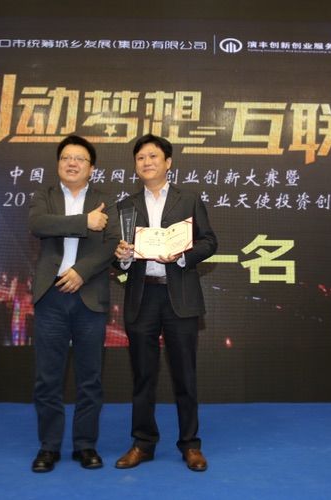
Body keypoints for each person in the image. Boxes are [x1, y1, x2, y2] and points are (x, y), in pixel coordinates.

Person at [114, 134, 217, 472]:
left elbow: (209, 241)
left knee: (185, 375)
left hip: (179, 297)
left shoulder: (189, 199)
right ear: (135, 165)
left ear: (168, 162)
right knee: (143, 375)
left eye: (153, 156)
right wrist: (122, 256)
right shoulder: (126, 206)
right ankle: (142, 443)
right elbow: (116, 256)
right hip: (142, 296)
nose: (147, 162)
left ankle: (190, 445)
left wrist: (183, 256)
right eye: (140, 157)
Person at [28, 135, 118, 473]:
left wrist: (82, 271)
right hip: (50, 296)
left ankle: (85, 445)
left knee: (89, 378)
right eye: (66, 157)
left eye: (80, 158)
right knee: (48, 378)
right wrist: (84, 222)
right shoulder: (45, 196)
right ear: (58, 164)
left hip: (89, 296)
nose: (72, 163)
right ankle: (49, 447)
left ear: (91, 168)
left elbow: (111, 244)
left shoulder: (106, 201)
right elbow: (38, 224)